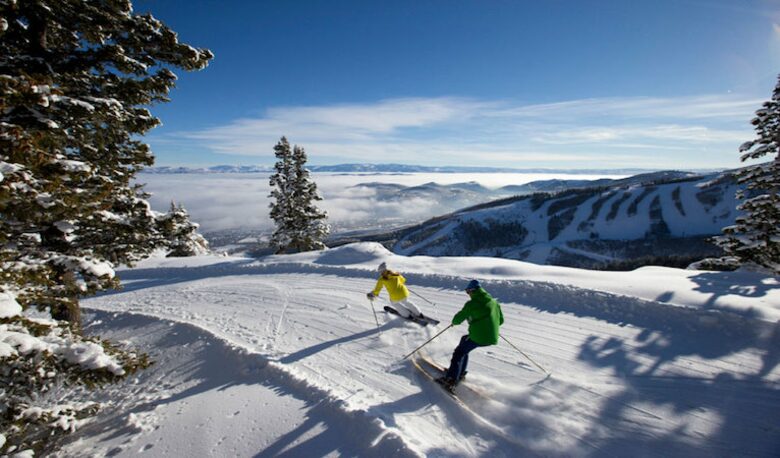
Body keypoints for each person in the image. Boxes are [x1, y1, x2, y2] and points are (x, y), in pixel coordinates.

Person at [437, 279, 504, 390]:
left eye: (468, 292)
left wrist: (454, 323)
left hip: (479, 337)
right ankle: (460, 373)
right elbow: (500, 321)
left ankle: (451, 380)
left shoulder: (472, 304)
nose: (468, 294)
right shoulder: (494, 302)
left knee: (459, 352)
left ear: (472, 290)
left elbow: (459, 318)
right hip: (492, 337)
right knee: (464, 343)